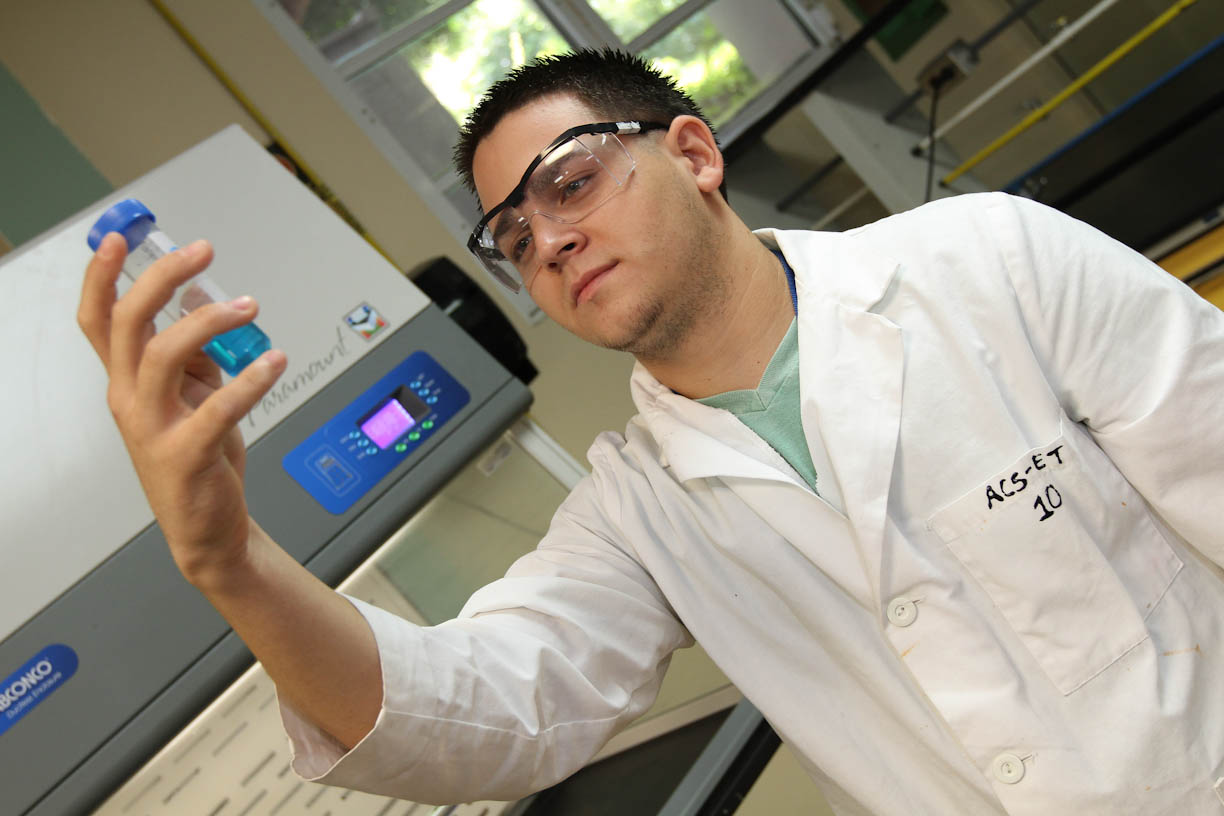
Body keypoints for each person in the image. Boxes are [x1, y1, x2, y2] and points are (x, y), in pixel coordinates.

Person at [78, 49, 1224, 815]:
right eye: (514, 239)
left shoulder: (987, 263)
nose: (548, 241)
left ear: (693, 154)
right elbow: (481, 709)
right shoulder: (636, 513)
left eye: (571, 183)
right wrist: (229, 560)